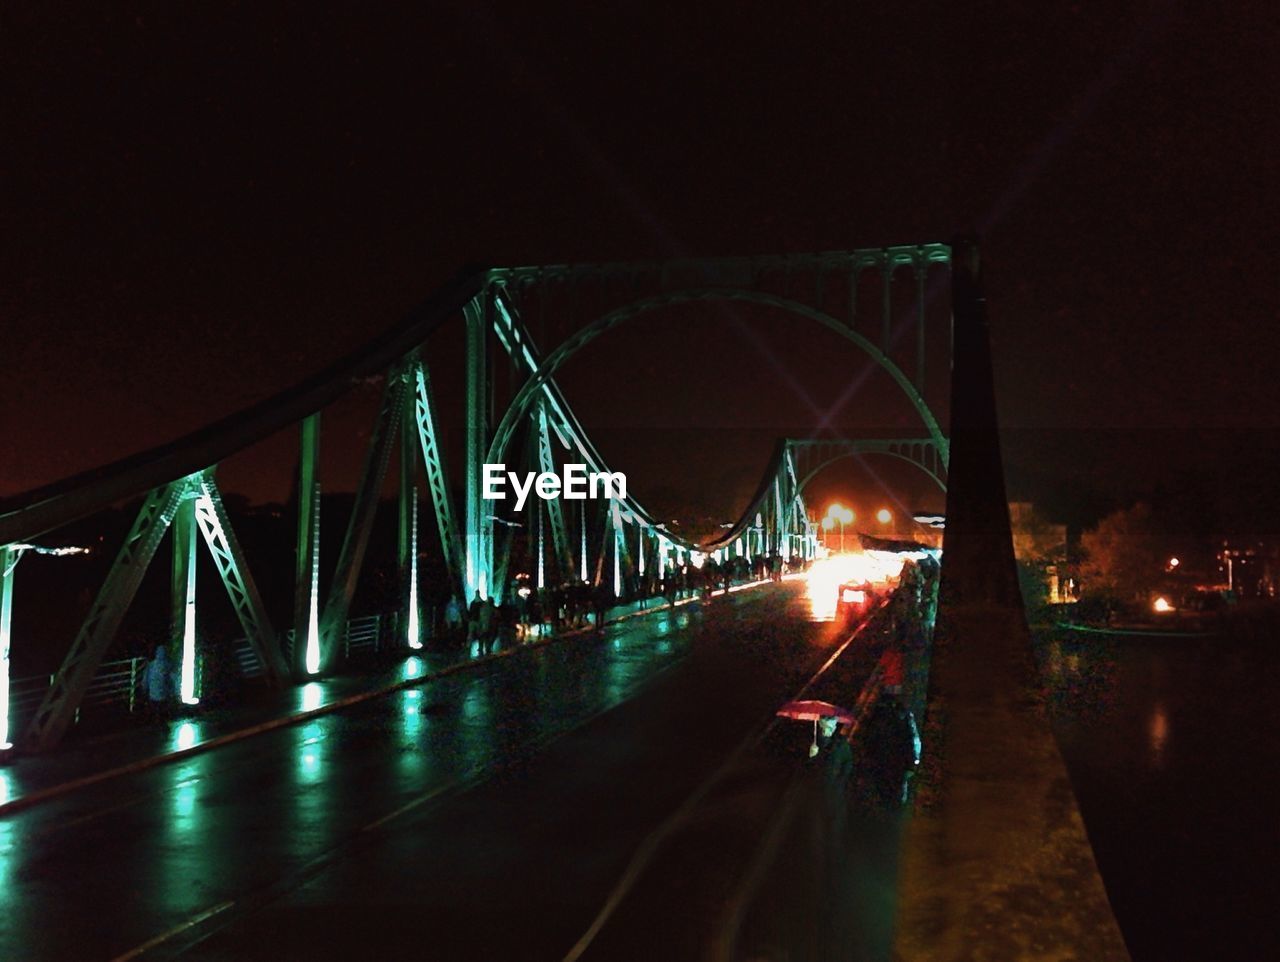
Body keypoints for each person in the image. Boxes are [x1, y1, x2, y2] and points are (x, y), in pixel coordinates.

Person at [140, 643, 172, 720]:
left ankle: (155, 722)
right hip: (163, 693)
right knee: (161, 710)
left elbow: (145, 678)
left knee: (155, 710)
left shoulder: (151, 665)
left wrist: (144, 688)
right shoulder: (167, 665)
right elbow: (171, 679)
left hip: (153, 693)